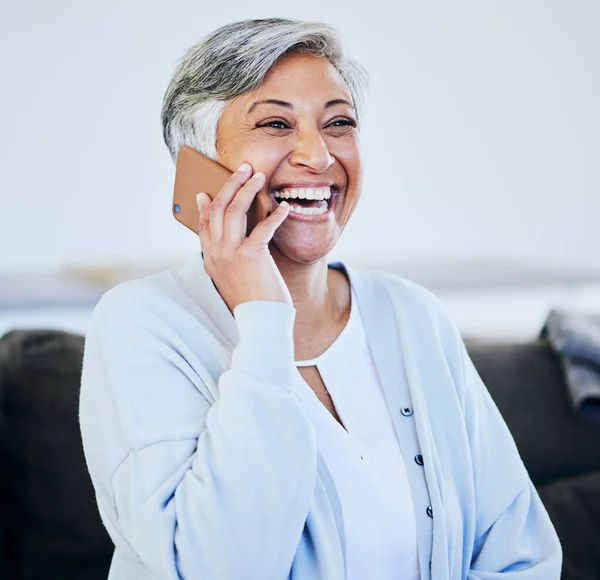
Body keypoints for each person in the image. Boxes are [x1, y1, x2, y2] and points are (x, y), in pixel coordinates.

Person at [79, 18, 562, 580]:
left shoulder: (413, 316)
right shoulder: (139, 324)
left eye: (338, 123)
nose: (318, 155)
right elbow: (219, 567)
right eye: (277, 123)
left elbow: (520, 553)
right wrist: (262, 323)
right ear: (198, 165)